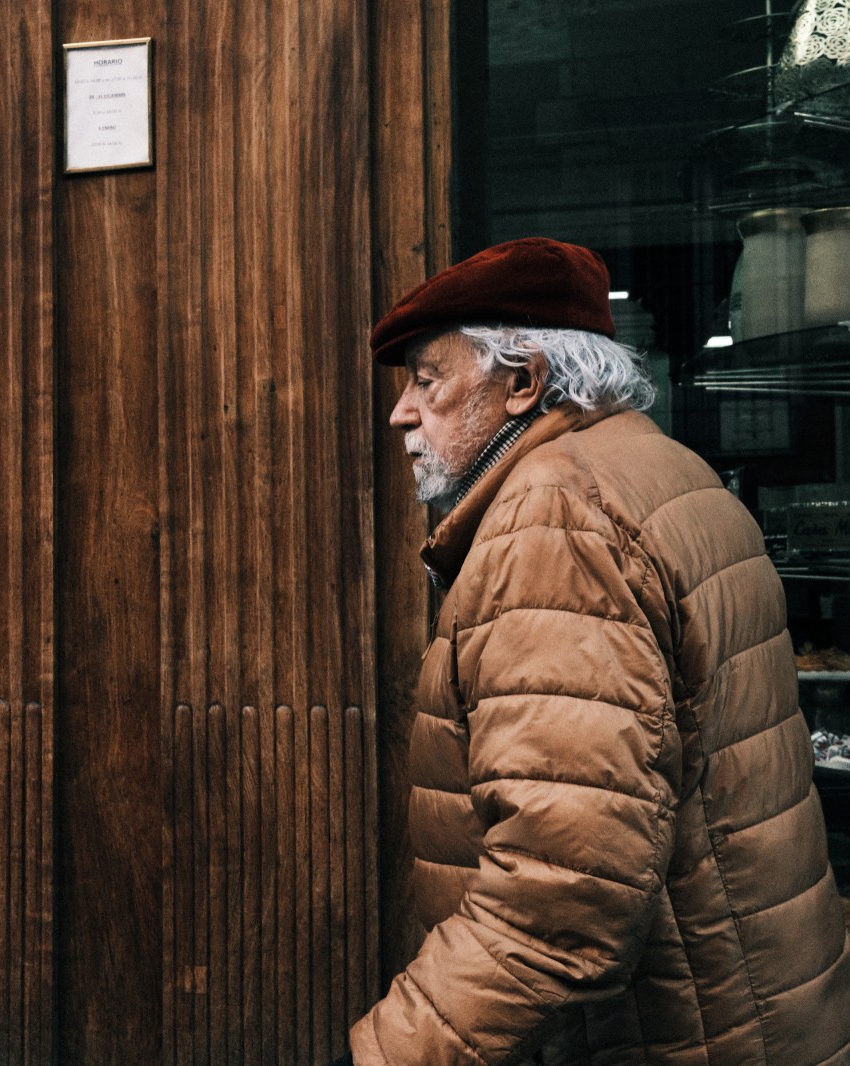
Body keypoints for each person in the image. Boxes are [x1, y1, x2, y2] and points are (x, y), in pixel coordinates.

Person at [344, 238, 850, 1064]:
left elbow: (560, 888)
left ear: (523, 383)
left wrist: (389, 1054)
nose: (402, 411)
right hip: (751, 1009)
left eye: (427, 379)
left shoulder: (557, 518)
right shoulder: (660, 467)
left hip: (670, 1031)